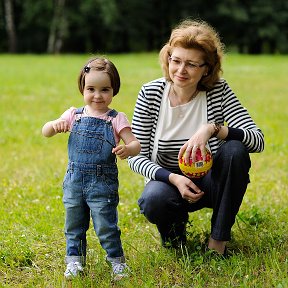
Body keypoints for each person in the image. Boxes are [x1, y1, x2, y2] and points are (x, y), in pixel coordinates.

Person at [128, 19, 264, 255]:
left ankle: (218, 240)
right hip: (168, 185)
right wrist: (174, 179)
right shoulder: (150, 93)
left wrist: (212, 128)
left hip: (211, 182)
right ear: (168, 58)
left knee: (235, 150)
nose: (181, 70)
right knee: (154, 199)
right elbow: (134, 155)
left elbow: (257, 140)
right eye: (176, 60)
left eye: (191, 64)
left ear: (207, 69)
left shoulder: (218, 91)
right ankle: (175, 236)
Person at [42, 57, 141, 280]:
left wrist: (128, 149)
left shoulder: (115, 119)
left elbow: (135, 143)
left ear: (114, 90)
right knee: (74, 225)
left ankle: (117, 262)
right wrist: (54, 126)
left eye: (104, 89)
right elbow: (45, 131)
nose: (97, 95)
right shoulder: (73, 115)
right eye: (91, 89)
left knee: (106, 225)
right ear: (82, 88)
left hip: (102, 183)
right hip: (74, 182)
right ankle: (74, 261)